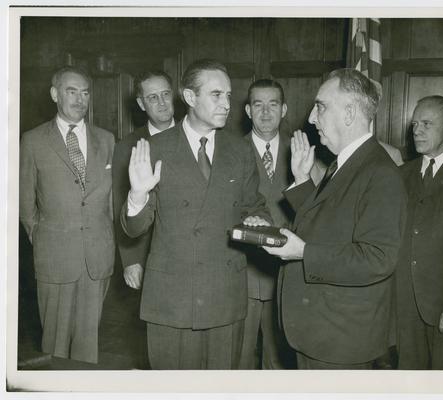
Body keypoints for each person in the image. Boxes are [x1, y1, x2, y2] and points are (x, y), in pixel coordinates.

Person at [120, 59, 272, 370]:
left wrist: (261, 221)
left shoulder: (239, 150)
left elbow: (254, 204)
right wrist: (136, 196)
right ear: (190, 98)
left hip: (224, 293)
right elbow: (134, 229)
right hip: (172, 299)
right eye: (216, 95)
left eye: (229, 96)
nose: (226, 104)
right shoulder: (154, 148)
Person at [263, 68, 407, 369]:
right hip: (323, 331)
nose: (312, 118)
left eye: (321, 106)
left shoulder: (379, 172)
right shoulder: (347, 163)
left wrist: (302, 252)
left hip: (341, 341)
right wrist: (302, 181)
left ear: (350, 112)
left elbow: (377, 258)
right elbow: (331, 223)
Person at [19, 66, 115, 364]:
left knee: (88, 349)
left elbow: (111, 201)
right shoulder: (33, 141)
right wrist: (43, 234)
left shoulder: (107, 139)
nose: (79, 99)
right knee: (55, 347)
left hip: (97, 258)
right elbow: (23, 201)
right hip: (55, 256)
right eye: (71, 91)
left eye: (85, 92)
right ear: (54, 94)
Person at [395, 95, 443, 370]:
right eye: (415, 123)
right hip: (404, 305)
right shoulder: (401, 175)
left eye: (427, 123)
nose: (417, 130)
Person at [239, 79, 295, 369]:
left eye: (273, 104)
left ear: (283, 109)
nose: (265, 111)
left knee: (279, 363)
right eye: (258, 104)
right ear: (248, 110)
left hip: (285, 276)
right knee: (239, 360)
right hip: (242, 274)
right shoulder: (230, 152)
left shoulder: (302, 151)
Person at [112, 71, 175, 291]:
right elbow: (121, 204)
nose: (162, 102)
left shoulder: (196, 137)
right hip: (150, 252)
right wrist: (130, 260)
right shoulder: (128, 146)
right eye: (152, 97)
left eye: (166, 94)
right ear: (141, 103)